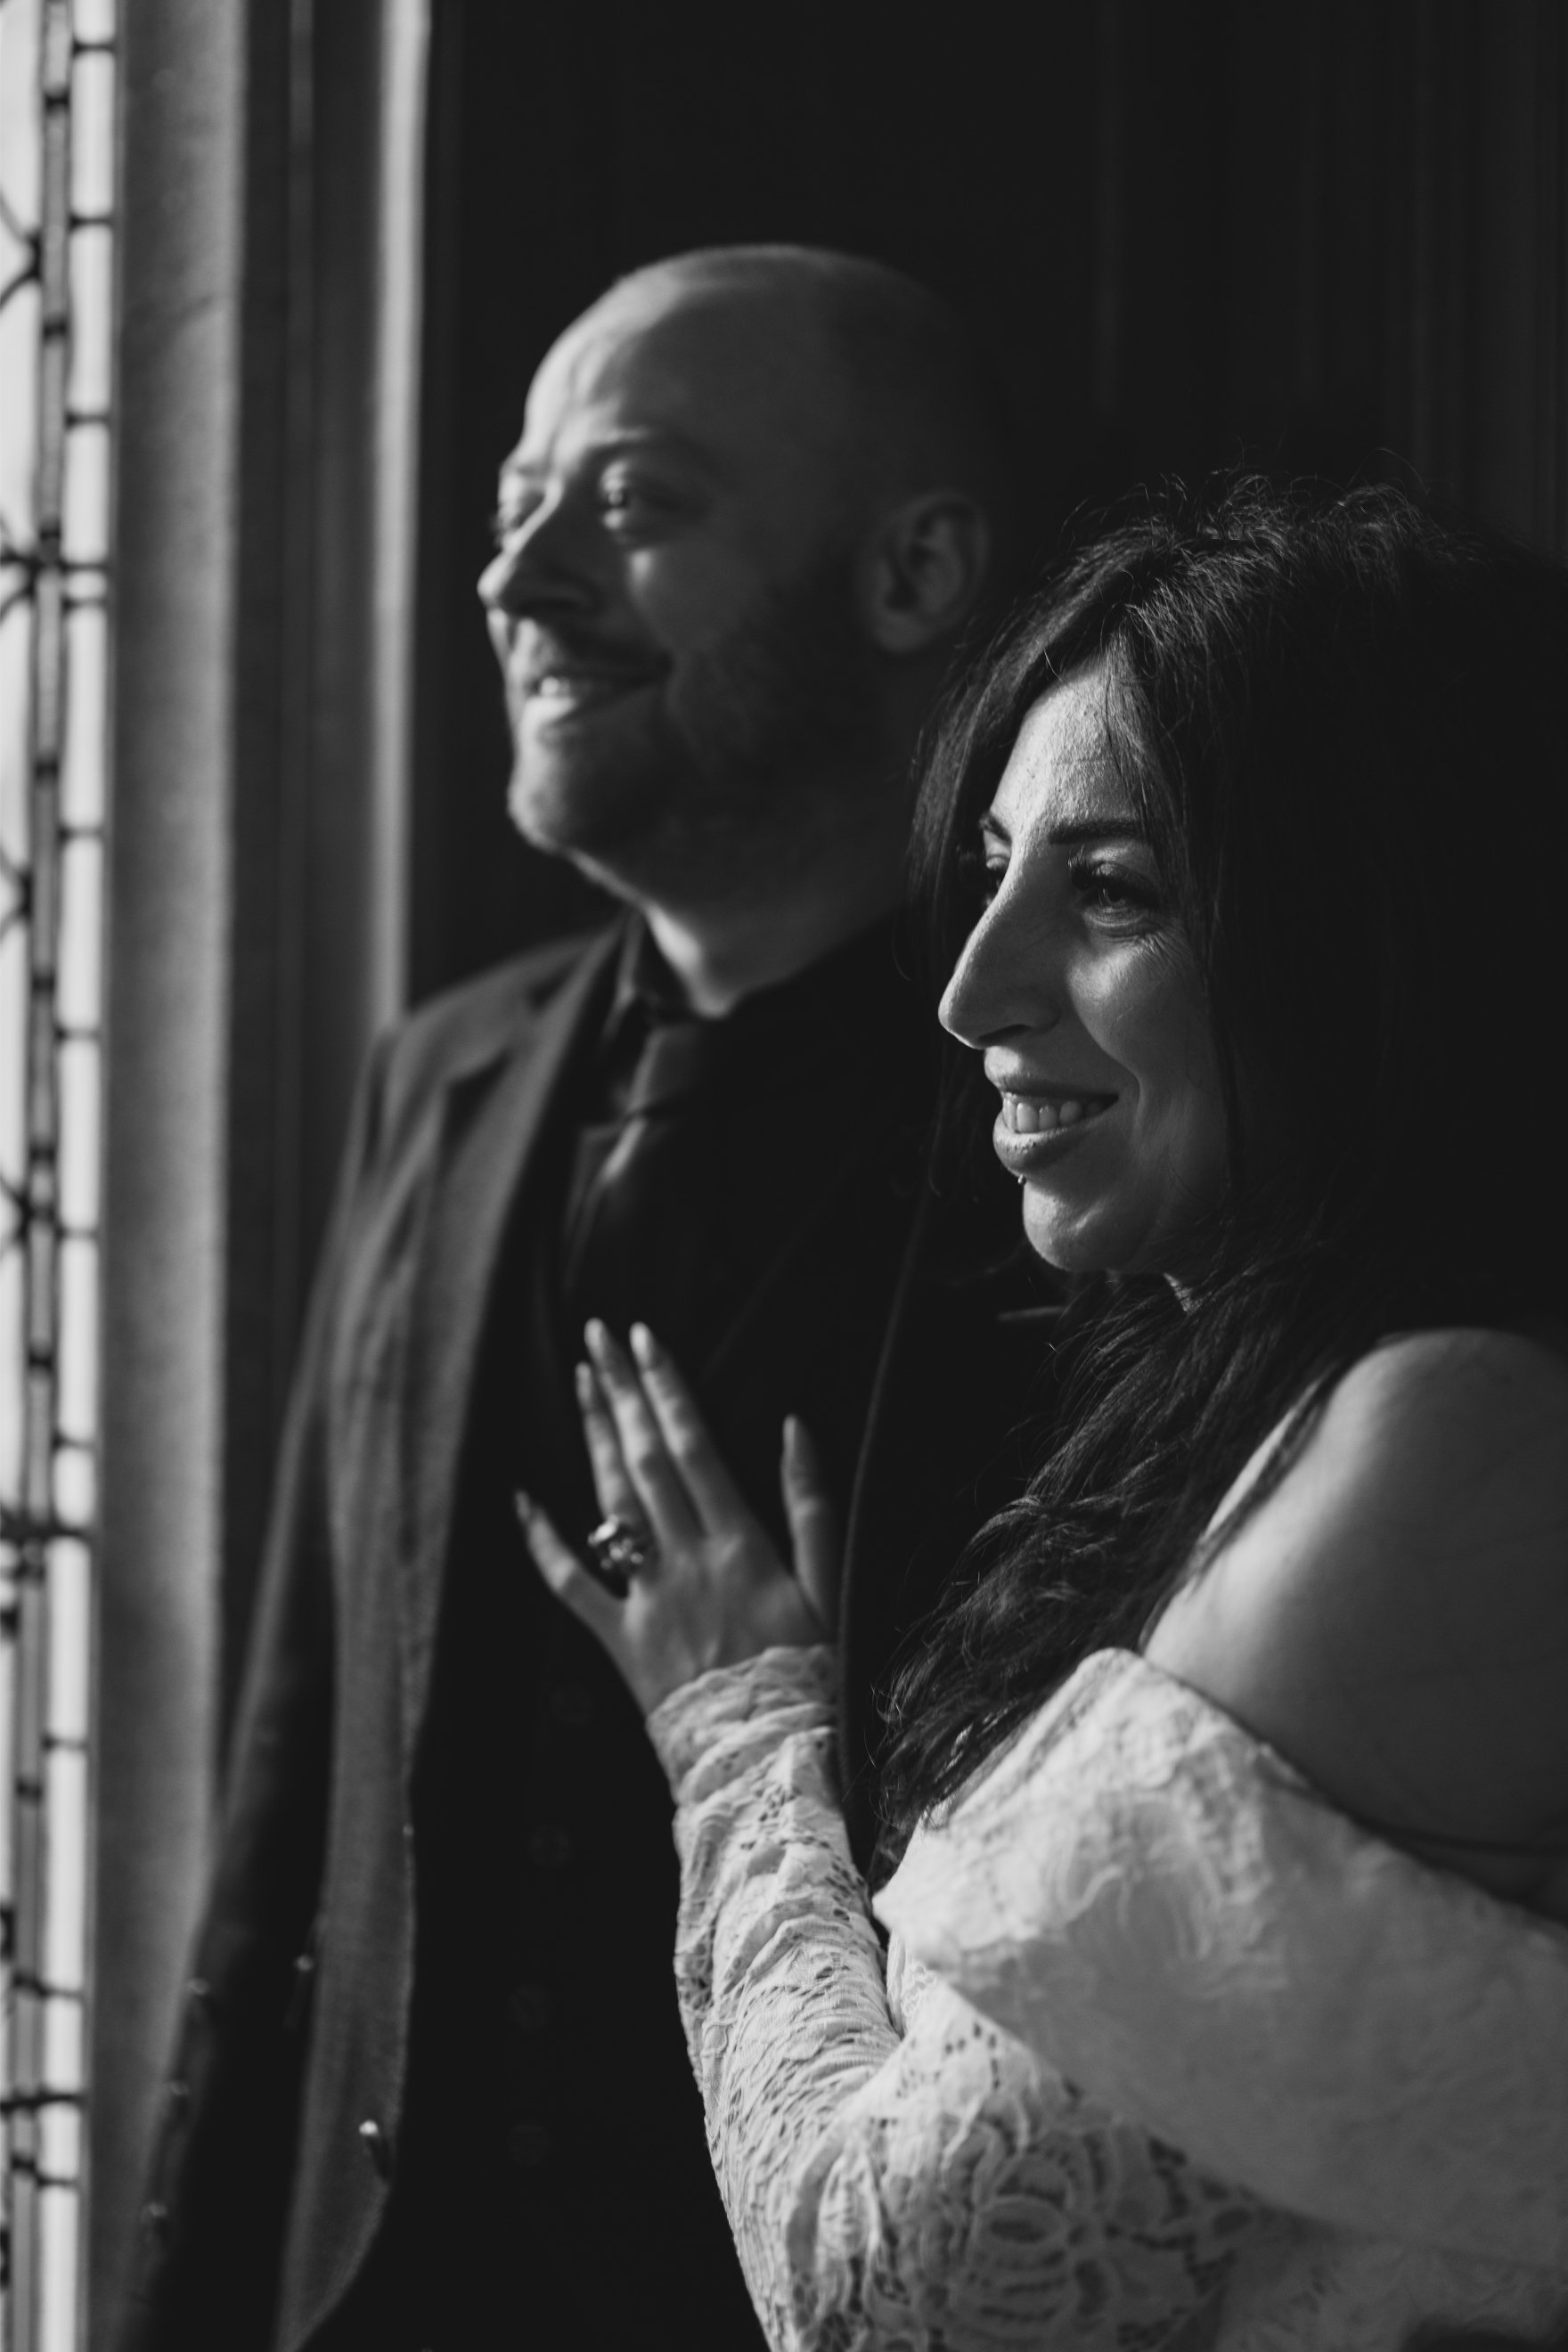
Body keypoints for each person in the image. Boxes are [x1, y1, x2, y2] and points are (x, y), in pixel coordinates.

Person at [119, 246, 1052, 2352]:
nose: (515, 581)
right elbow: (298, 1792)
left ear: (911, 573)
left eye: (627, 506)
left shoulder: (1078, 1134)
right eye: (507, 515)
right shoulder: (438, 1084)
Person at [522, 478, 1568, 2348]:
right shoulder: (1268, 1406)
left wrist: (738, 1735)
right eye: (994, 864)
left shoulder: (1452, 1438)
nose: (969, 989)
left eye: (1105, 890)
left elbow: (883, 2299)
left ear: (1381, 923)